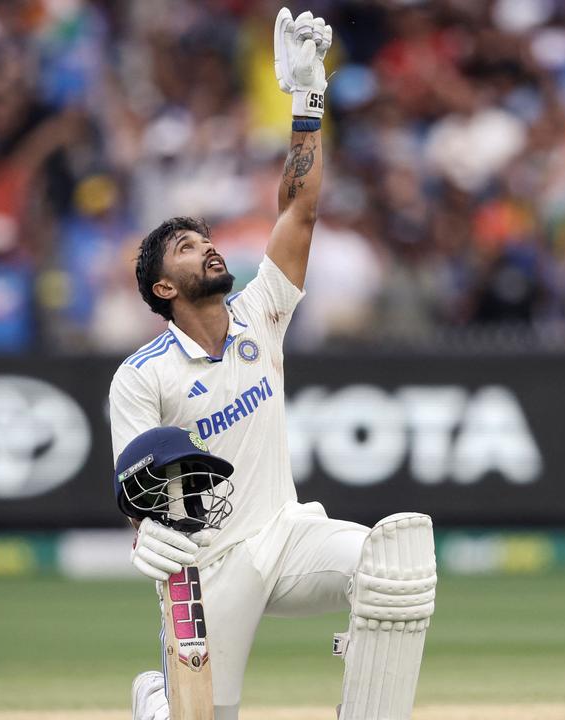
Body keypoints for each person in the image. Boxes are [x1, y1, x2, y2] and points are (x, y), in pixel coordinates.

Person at [108, 10, 436, 720]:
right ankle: (159, 701)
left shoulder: (260, 313)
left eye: (205, 237)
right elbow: (136, 490)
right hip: (212, 566)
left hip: (288, 535)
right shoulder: (143, 375)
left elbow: (301, 209)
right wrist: (151, 536)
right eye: (186, 249)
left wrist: (307, 103)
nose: (207, 247)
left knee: (395, 561)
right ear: (163, 289)